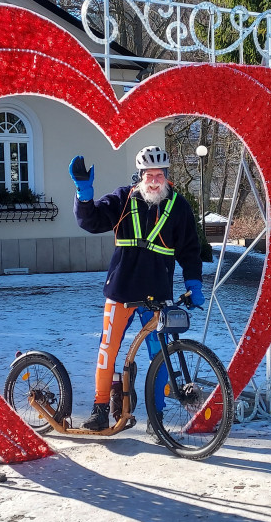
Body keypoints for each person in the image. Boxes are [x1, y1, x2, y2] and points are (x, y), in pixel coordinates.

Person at [69, 145, 205, 432]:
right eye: (149, 174)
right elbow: (91, 221)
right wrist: (84, 194)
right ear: (140, 175)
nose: (154, 180)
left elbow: (190, 249)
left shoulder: (178, 206)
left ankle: (156, 419)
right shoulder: (123, 198)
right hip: (121, 290)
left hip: (157, 295)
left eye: (159, 174)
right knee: (108, 350)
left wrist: (193, 281)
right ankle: (100, 409)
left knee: (160, 357)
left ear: (167, 176)